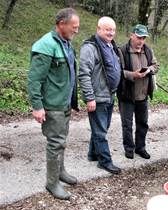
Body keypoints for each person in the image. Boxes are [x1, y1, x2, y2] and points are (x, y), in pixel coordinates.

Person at [28, 8, 80, 200]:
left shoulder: (66, 43)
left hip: (64, 103)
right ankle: (52, 183)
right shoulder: (45, 45)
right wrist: (37, 106)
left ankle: (60, 172)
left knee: (62, 141)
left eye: (77, 27)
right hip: (52, 104)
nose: (76, 31)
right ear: (61, 24)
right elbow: (35, 79)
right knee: (55, 143)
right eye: (73, 27)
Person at [78, 16, 121, 174]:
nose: (111, 33)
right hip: (97, 97)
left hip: (109, 95)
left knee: (101, 127)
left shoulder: (110, 46)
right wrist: (89, 97)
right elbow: (84, 74)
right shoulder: (90, 47)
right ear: (98, 29)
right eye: (107, 29)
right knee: (101, 130)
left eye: (113, 30)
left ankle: (93, 154)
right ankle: (105, 161)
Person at [117, 24, 159, 160]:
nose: (141, 41)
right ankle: (129, 149)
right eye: (139, 37)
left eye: (144, 38)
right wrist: (133, 75)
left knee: (143, 123)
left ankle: (140, 148)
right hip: (127, 95)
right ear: (132, 35)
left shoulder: (148, 50)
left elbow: (155, 65)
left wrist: (149, 70)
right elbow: (117, 71)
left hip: (143, 95)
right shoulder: (122, 51)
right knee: (127, 124)